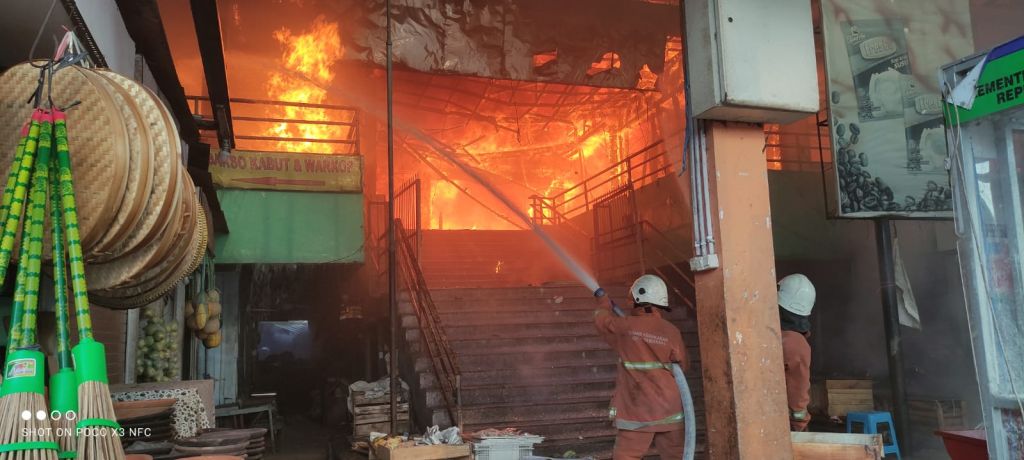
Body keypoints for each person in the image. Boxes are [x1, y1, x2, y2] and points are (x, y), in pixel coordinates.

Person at [594, 274, 687, 460]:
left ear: (636, 298)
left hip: (637, 410)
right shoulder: (671, 331)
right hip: (670, 410)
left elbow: (601, 321)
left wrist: (603, 303)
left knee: (626, 457)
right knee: (678, 457)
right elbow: (682, 365)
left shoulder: (624, 327)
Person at [777, 273, 816, 432]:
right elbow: (798, 391)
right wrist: (800, 426)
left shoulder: (769, 334)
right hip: (779, 423)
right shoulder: (796, 344)